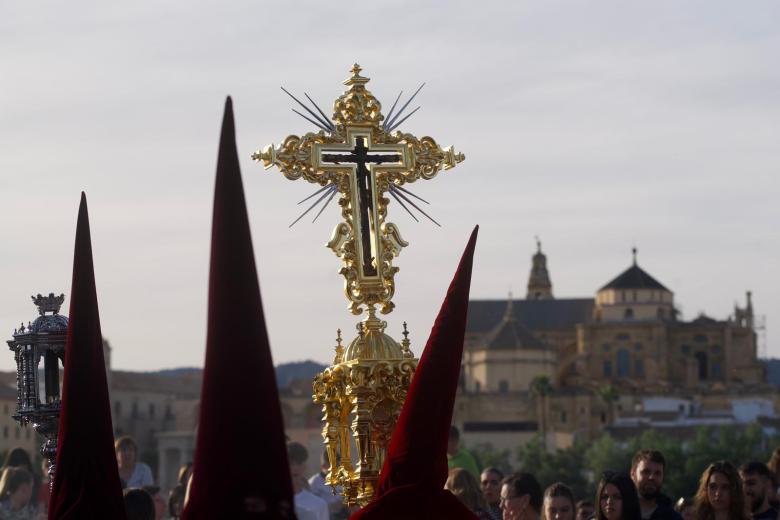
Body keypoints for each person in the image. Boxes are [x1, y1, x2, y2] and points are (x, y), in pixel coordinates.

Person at [629, 450, 681, 520]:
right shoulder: (618, 513)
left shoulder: (672, 517)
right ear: (633, 474)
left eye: (657, 473)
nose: (652, 477)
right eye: (646, 472)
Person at [288, 442, 329, 520]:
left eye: (299, 463)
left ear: (305, 466)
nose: (295, 468)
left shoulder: (319, 504)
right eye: (291, 463)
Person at [308, 450, 347, 518]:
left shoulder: (344, 479)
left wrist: (343, 503)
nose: (335, 470)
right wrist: (327, 506)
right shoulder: (313, 482)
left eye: (337, 466)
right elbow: (310, 504)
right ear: (323, 466)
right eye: (332, 467)